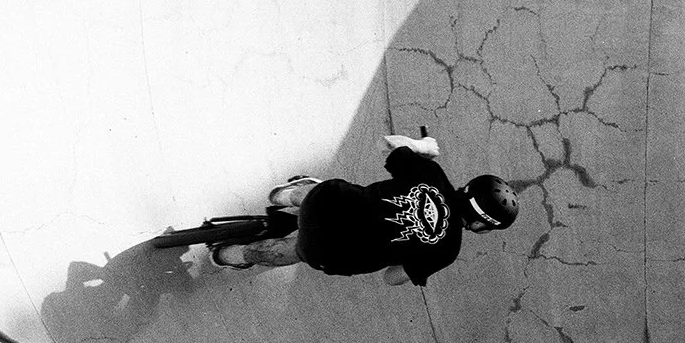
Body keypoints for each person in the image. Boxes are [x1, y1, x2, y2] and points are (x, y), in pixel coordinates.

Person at [206, 132, 519, 285]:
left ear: (468, 187)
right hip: (329, 250)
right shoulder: (448, 250)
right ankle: (230, 255)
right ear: (481, 225)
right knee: (299, 250)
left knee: (328, 193)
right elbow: (391, 278)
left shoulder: (432, 176)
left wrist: (423, 147)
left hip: (325, 204)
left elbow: (391, 142)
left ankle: (285, 196)